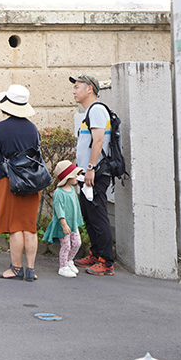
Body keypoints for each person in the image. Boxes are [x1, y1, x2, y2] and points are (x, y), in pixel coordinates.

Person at [0, 84, 41, 282]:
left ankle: (16, 269)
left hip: (9, 181)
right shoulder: (32, 128)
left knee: (15, 227)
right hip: (32, 182)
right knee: (29, 226)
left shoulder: (0, 128)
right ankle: (30, 270)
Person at [69, 74, 115, 276]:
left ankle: (106, 261)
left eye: (77, 87)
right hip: (87, 173)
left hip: (95, 173)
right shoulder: (90, 112)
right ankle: (96, 254)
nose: (74, 91)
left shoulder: (96, 110)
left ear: (90, 89)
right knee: (89, 214)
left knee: (98, 215)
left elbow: (98, 142)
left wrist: (90, 168)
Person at [43, 160, 84, 278]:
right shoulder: (59, 193)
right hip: (64, 225)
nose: (77, 177)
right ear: (67, 177)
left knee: (77, 243)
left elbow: (75, 207)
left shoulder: (72, 190)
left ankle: (69, 261)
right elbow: (59, 210)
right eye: (74, 175)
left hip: (73, 223)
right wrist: (64, 224)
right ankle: (63, 267)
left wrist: (77, 221)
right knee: (66, 245)